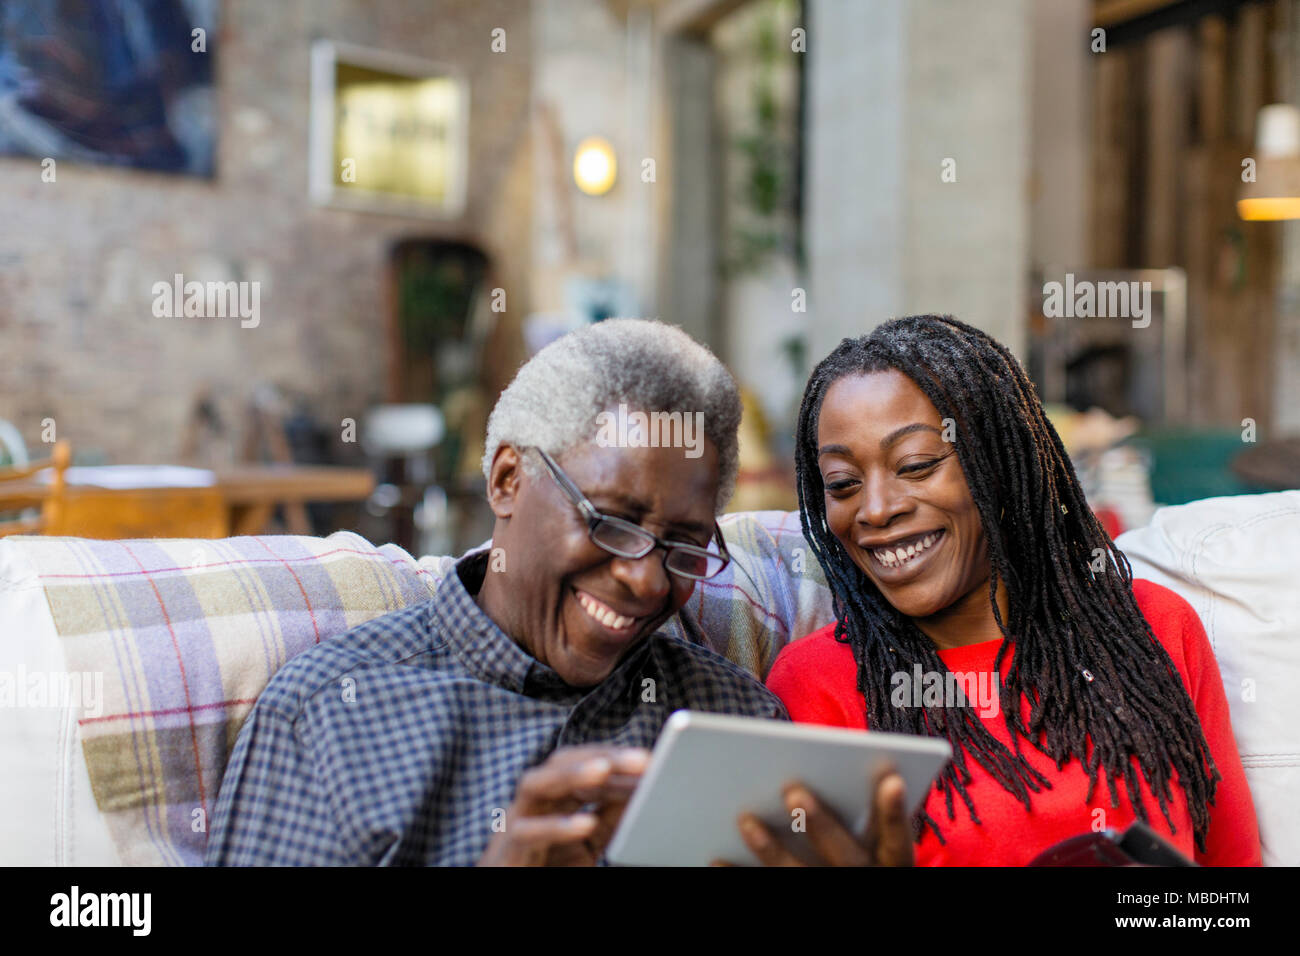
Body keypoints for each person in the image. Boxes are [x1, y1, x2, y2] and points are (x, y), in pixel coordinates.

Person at [205, 318, 910, 867]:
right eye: (610, 522)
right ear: (508, 479)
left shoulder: (734, 718)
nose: (644, 578)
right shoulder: (331, 715)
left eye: (685, 545)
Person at [765, 314, 1261, 865]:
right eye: (843, 484)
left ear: (998, 467)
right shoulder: (817, 685)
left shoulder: (1155, 630)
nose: (877, 509)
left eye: (916, 465)